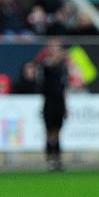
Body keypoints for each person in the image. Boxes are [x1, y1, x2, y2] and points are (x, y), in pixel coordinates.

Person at [38, 40, 68, 172]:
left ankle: (57, 159)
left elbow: (64, 88)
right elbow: (47, 68)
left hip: (60, 102)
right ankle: (50, 159)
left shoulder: (63, 67)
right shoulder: (46, 65)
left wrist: (66, 106)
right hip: (49, 102)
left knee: (57, 132)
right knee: (49, 132)